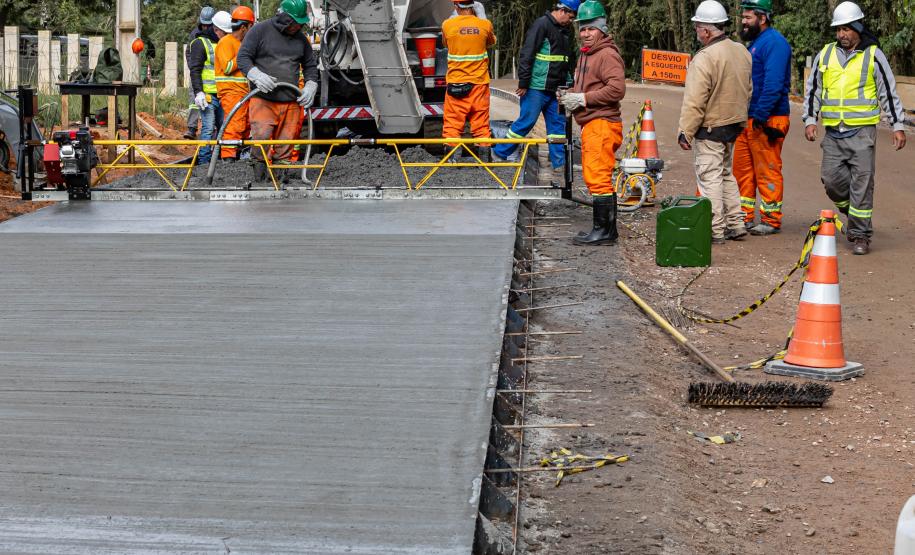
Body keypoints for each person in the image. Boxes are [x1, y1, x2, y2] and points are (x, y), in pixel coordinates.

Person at [803, 1, 906, 255]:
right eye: (838, 30)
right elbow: (813, 90)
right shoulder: (825, 54)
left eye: (847, 29)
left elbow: (888, 93)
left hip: (862, 133)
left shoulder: (873, 55)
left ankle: (860, 235)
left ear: (858, 28)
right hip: (834, 134)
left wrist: (897, 125)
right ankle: (854, 212)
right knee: (831, 181)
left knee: (862, 183)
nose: (842, 35)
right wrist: (810, 119)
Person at [678, 0, 752, 245]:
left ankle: (715, 230)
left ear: (707, 30)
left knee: (709, 178)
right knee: (726, 174)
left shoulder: (705, 57)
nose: (697, 31)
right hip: (734, 124)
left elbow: (694, 101)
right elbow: (748, 89)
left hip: (710, 127)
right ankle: (736, 223)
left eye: (698, 27)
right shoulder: (741, 51)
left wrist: (685, 132)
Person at [558, 0, 625, 245]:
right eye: (582, 28)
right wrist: (570, 94)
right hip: (593, 124)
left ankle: (604, 232)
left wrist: (583, 98)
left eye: (590, 28)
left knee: (598, 177)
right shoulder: (587, 55)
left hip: (602, 124)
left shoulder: (606, 55)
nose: (585, 33)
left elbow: (617, 90)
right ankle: (606, 230)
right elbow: (587, 86)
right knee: (595, 175)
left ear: (602, 29)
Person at [491, 0, 577, 176]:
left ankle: (559, 163)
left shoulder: (564, 30)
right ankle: (500, 152)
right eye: (570, 16)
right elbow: (527, 53)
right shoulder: (541, 25)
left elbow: (566, 59)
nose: (571, 21)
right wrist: (523, 82)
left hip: (557, 89)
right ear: (562, 10)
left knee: (558, 126)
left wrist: (569, 82)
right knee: (527, 121)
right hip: (535, 87)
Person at [236, 0, 319, 182]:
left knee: (286, 144)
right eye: (294, 22)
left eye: (300, 23)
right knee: (261, 139)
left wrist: (311, 84)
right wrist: (255, 75)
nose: (297, 26)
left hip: (290, 102)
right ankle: (260, 180)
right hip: (263, 100)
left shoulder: (300, 39)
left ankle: (280, 181)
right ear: (283, 17)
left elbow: (310, 66)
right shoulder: (260, 31)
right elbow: (243, 57)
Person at [733, 0, 791, 236]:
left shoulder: (775, 43)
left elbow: (773, 83)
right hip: (751, 118)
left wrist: (761, 115)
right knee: (743, 171)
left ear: (762, 18)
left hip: (768, 119)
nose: (743, 22)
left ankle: (770, 219)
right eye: (743, 18)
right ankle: (743, 216)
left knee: (767, 169)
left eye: (747, 18)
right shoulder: (756, 43)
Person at [441, 0, 497, 159]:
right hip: (479, 83)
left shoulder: (447, 25)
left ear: (456, 6)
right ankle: (484, 160)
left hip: (455, 83)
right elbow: (491, 42)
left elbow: (446, 44)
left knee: (452, 123)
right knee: (481, 123)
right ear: (473, 6)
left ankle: (452, 160)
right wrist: (482, 19)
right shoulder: (485, 25)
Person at [215, 6, 256, 162]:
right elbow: (227, 67)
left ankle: (240, 157)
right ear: (245, 27)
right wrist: (243, 55)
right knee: (234, 125)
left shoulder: (242, 43)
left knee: (245, 126)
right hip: (231, 92)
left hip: (244, 92)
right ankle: (228, 159)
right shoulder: (226, 42)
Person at [188, 8, 229, 165]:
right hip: (208, 96)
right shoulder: (199, 43)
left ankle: (222, 159)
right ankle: (204, 163)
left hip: (222, 94)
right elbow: (195, 70)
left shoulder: (221, 42)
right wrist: (198, 92)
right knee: (208, 128)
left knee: (223, 129)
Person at [184, 7, 216, 140]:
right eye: (204, 24)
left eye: (208, 25)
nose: (206, 27)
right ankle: (192, 128)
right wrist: (194, 69)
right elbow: (189, 52)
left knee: (213, 104)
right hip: (197, 73)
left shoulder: (218, 34)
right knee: (194, 100)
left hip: (211, 77)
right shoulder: (195, 34)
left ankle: (213, 129)